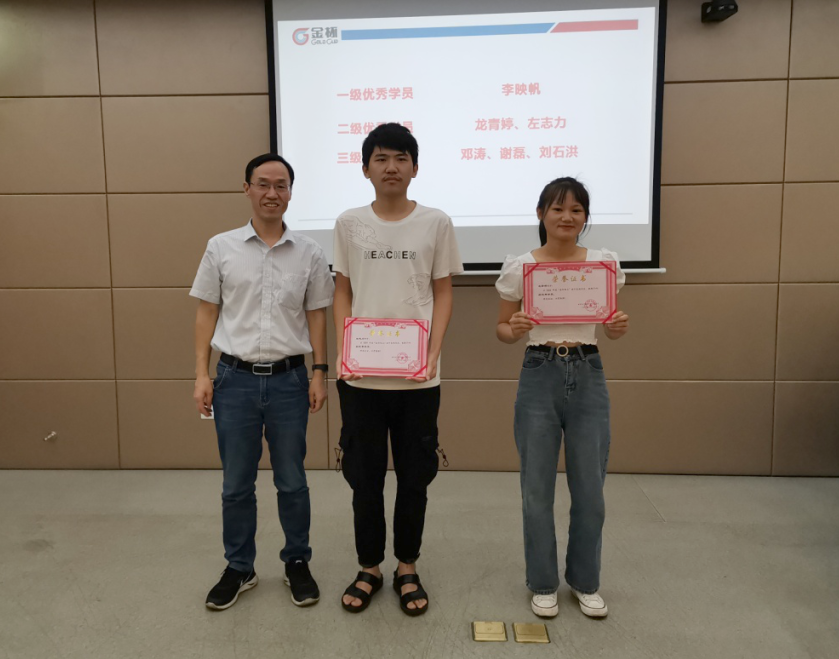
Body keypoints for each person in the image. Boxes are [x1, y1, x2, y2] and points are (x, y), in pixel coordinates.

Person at [190, 153, 334, 610]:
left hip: (291, 381)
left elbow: (317, 316)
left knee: (292, 480)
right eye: (263, 184)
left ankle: (297, 561)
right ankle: (240, 567)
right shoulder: (221, 247)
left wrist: (319, 372)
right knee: (236, 484)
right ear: (247, 188)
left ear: (291, 192)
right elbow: (206, 311)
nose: (273, 193)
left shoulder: (310, 252)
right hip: (234, 380)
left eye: (281, 185)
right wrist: (201, 374)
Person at [332, 123, 463, 616]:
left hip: (417, 378)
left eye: (401, 158)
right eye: (382, 158)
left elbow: (443, 291)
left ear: (415, 167)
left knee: (414, 476)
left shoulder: (435, 222)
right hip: (361, 376)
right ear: (365, 168)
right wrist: (344, 348)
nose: (392, 167)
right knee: (363, 478)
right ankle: (369, 566)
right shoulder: (349, 223)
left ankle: (407, 564)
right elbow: (342, 289)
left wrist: (433, 351)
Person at [494, 177, 630, 619]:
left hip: (588, 369)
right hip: (539, 371)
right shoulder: (521, 267)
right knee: (536, 489)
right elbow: (502, 329)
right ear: (541, 214)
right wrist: (513, 328)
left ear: (585, 217)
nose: (567, 217)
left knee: (590, 489)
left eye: (576, 210)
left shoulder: (603, 264)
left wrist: (615, 328)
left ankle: (586, 582)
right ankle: (543, 582)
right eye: (557, 209)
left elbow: (610, 324)